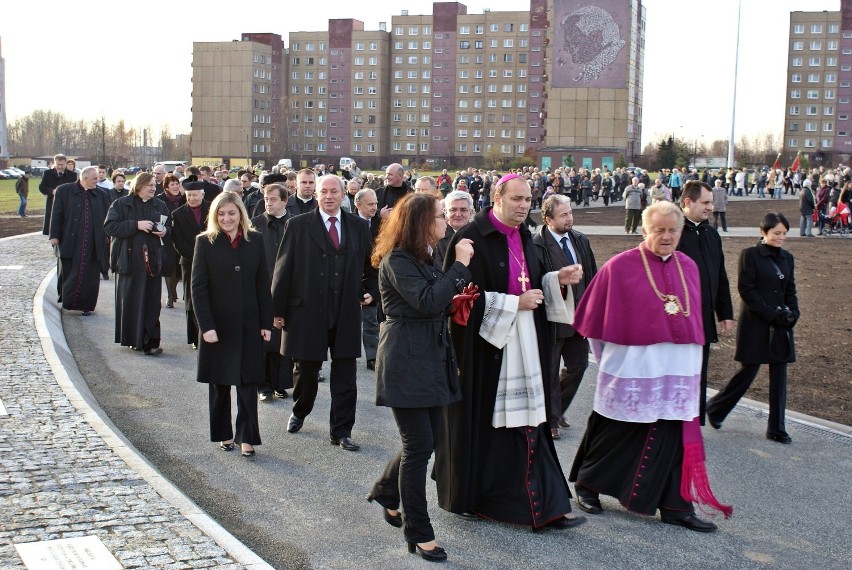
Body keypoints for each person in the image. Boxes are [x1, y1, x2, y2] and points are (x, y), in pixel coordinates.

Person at [568, 201, 732, 533]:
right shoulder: (620, 266)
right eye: (659, 230)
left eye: (673, 230)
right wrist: (611, 363)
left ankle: (675, 506)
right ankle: (588, 485)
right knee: (618, 430)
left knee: (671, 436)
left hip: (678, 371)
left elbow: (692, 317)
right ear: (644, 231)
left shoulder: (688, 266)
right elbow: (594, 324)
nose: (667, 236)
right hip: (633, 369)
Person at [437, 173, 587, 531]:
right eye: (516, 199)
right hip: (486, 354)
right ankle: (486, 500)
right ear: (496, 196)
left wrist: (555, 280)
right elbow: (456, 301)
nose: (523, 207)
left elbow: (531, 284)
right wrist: (512, 303)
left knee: (531, 423)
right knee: (494, 429)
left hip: (525, 345)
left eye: (528, 200)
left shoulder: (525, 236)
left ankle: (544, 505)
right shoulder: (471, 237)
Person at [367, 193, 474, 563]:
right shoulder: (397, 259)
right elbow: (427, 301)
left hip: (430, 356)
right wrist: (459, 268)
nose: (446, 221)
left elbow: (438, 302)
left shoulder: (423, 256)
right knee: (418, 447)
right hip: (406, 360)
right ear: (421, 222)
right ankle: (419, 531)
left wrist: (459, 294)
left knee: (429, 441)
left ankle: (386, 490)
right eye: (440, 216)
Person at [271, 174, 378, 451]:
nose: (329, 196)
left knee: (345, 375)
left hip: (345, 312)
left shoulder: (357, 226)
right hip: (307, 312)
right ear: (316, 195)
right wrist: (277, 310)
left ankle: (341, 431)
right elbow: (283, 270)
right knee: (306, 372)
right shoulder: (297, 225)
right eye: (324, 192)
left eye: (334, 191)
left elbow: (372, 268)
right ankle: (300, 409)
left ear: (344, 195)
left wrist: (370, 291)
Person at [191, 192, 272, 458]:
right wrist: (206, 326)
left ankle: (247, 437)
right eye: (221, 214)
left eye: (231, 213)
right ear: (215, 216)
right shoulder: (205, 242)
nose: (227, 218)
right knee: (220, 383)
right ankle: (224, 433)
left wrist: (265, 323)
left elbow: (263, 284)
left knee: (248, 382)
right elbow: (198, 288)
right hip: (217, 325)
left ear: (241, 214)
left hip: (249, 323)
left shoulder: (255, 240)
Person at [707, 213, 799, 444]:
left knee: (779, 374)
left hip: (780, 325)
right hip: (756, 323)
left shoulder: (787, 258)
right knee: (748, 371)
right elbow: (746, 290)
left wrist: (793, 314)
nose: (781, 238)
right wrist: (771, 313)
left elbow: (791, 290)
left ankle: (777, 428)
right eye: (776, 233)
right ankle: (716, 409)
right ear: (764, 232)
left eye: (784, 234)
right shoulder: (750, 255)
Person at [532, 195, 597, 439]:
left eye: (570, 213)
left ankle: (555, 410)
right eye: (563, 215)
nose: (569, 218)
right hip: (550, 318)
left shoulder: (580, 240)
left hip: (578, 317)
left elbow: (591, 275)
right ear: (548, 219)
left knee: (577, 366)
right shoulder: (537, 244)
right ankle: (550, 420)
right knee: (549, 370)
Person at [677, 181, 735, 424]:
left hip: (704, 316)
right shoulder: (674, 232)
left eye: (711, 202)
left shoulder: (712, 233)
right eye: (706, 202)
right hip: (679, 317)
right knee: (679, 371)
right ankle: (675, 419)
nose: (711, 207)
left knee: (699, 370)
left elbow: (719, 274)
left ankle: (695, 420)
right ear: (688, 203)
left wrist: (725, 312)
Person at [104, 172, 171, 355]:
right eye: (149, 185)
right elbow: (110, 227)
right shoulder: (121, 204)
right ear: (139, 186)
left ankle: (151, 342)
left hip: (152, 263)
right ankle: (133, 339)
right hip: (130, 262)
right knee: (132, 302)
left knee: (152, 303)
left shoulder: (160, 204)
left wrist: (164, 231)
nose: (153, 188)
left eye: (154, 185)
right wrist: (135, 225)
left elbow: (169, 228)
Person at [48, 166, 111, 315]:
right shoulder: (64, 190)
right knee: (70, 272)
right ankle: (68, 302)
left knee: (90, 275)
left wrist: (107, 236)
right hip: (70, 241)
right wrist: (54, 235)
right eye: (94, 178)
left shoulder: (102, 194)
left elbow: (108, 217)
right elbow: (56, 213)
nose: (98, 181)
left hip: (93, 241)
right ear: (84, 178)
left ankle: (86, 306)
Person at [251, 183, 293, 402]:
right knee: (264, 338)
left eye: (274, 199)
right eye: (266, 198)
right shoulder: (255, 224)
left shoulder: (295, 223)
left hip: (288, 290)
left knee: (283, 338)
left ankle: (280, 383)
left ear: (285, 201)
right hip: (262, 289)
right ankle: (263, 385)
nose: (268, 202)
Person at [171, 178, 210, 348]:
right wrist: (196, 257)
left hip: (213, 261)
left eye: (195, 195)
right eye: (189, 195)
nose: (192, 198)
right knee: (191, 300)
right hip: (189, 262)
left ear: (202, 194)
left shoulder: (213, 209)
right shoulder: (178, 214)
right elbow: (177, 241)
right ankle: (195, 337)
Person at [354, 188, 380, 370]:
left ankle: (372, 356)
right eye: (370, 204)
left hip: (373, 277)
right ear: (358, 205)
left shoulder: (382, 223)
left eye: (376, 204)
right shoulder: (348, 223)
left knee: (371, 320)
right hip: (351, 278)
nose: (375, 207)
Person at [159, 173, 186, 309]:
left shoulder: (183, 199)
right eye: (172, 184)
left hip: (180, 236)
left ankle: (174, 290)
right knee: (170, 267)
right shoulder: (161, 200)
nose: (175, 187)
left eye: (177, 184)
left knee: (178, 266)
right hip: (167, 237)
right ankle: (170, 296)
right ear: (166, 187)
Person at [39, 154, 78, 236]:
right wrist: (52, 191)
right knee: (53, 226)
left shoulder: (72, 175)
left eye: (62, 165)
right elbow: (42, 187)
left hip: (67, 204)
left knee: (66, 228)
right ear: (54, 163)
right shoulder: (47, 173)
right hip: (52, 202)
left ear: (65, 164)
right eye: (58, 164)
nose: (60, 167)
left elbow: (75, 189)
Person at [434, 190, 474, 269]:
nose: (458, 214)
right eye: (453, 210)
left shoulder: (480, 234)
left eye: (463, 210)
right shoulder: (436, 238)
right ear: (445, 211)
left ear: (471, 212)